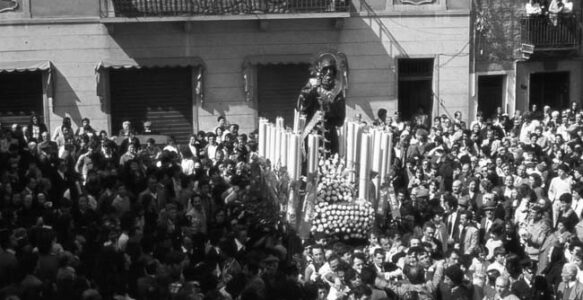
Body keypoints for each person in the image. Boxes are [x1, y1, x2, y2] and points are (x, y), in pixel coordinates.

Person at [297, 51, 347, 155]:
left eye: (331, 70)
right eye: (326, 69)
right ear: (319, 71)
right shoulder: (311, 87)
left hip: (330, 137)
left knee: (331, 163)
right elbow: (301, 110)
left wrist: (331, 107)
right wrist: (310, 92)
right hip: (313, 134)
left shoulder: (337, 91)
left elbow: (340, 120)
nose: (329, 73)